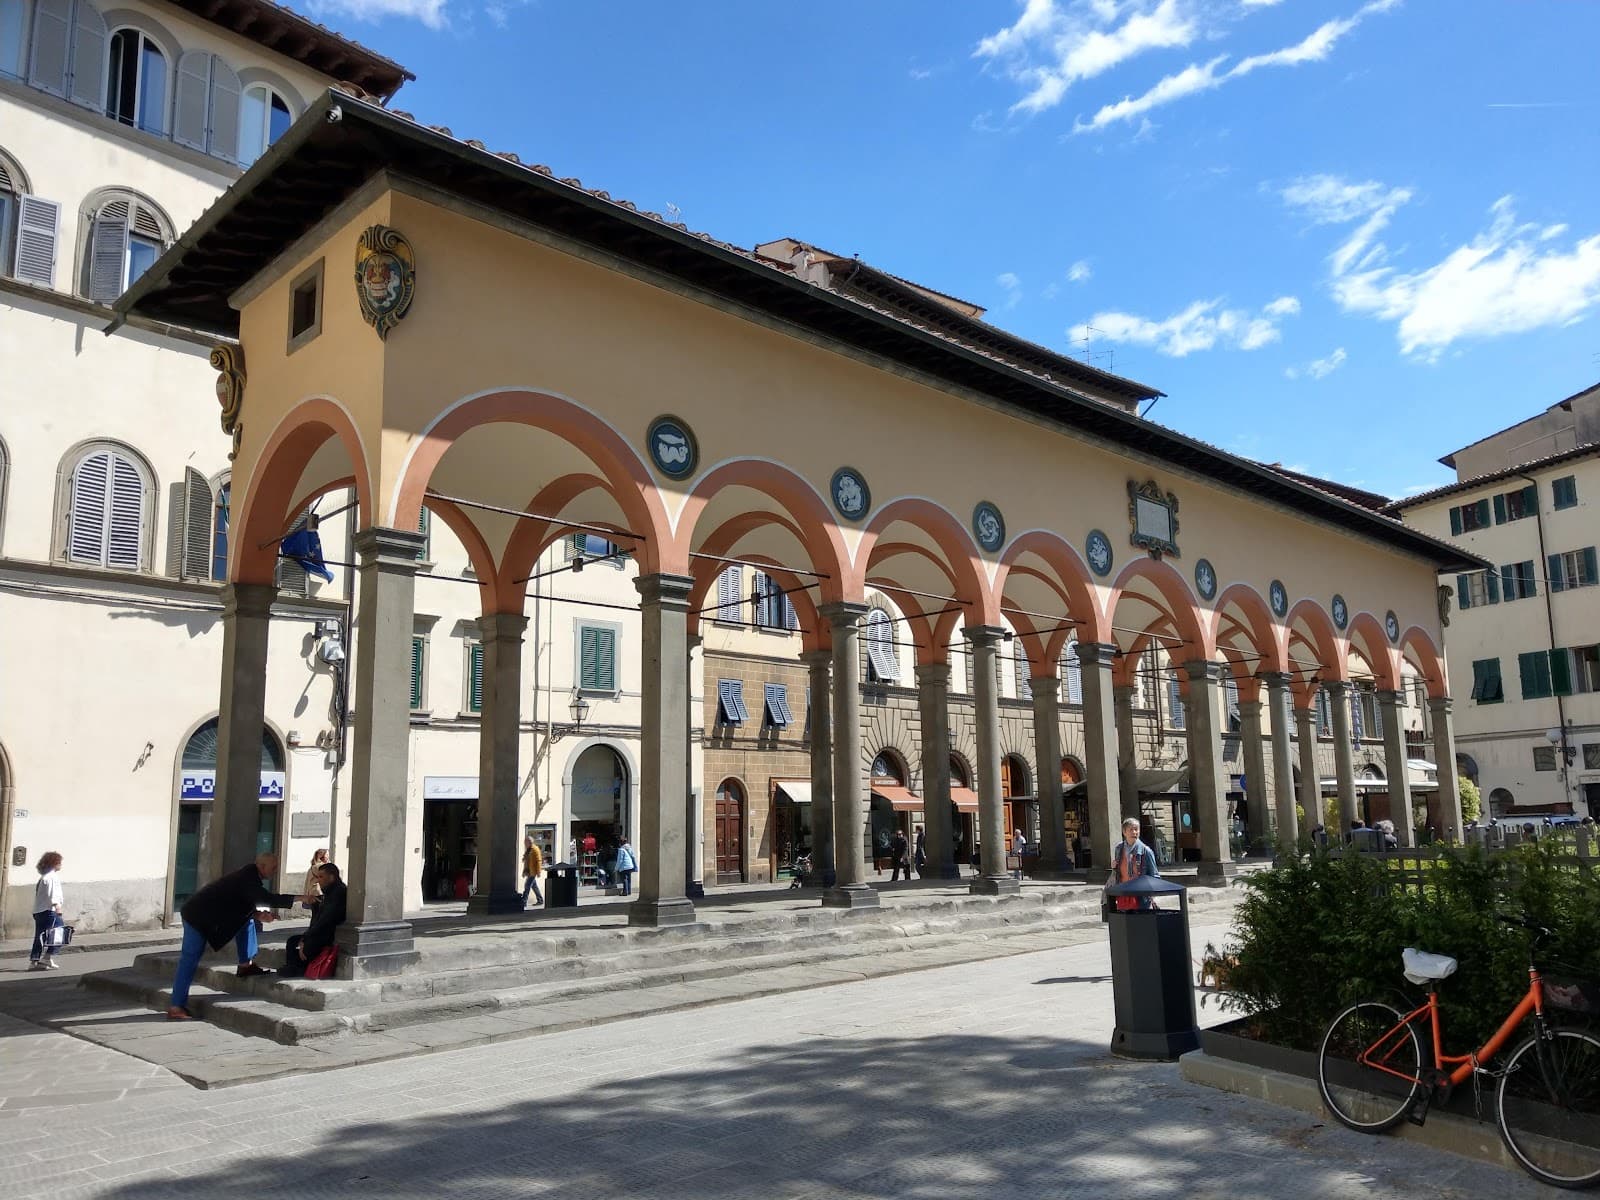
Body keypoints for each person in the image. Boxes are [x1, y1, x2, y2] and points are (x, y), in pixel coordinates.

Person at [167, 853, 299, 1020]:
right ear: (262, 866)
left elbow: (238, 905)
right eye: (273, 867)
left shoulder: (247, 875)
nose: (275, 871)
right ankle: (176, 1006)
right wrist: (300, 898)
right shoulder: (247, 878)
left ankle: (246, 964)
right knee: (189, 959)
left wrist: (258, 915)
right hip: (197, 917)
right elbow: (266, 898)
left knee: (247, 923)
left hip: (201, 914)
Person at [277, 863, 347, 979]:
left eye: (321, 877)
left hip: (327, 935)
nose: (318, 881)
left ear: (331, 877)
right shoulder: (327, 893)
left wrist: (306, 938)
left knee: (308, 946)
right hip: (318, 932)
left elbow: (325, 920)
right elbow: (317, 918)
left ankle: (299, 968)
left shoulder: (339, 892)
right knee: (292, 941)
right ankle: (293, 967)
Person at [1107, 817, 1160, 911]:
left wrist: (1152, 896)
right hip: (1123, 894)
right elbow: (1118, 871)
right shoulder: (1119, 848)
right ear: (1124, 832)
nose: (1134, 832)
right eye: (1131, 829)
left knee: (1139, 924)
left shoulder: (1146, 851)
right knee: (1124, 924)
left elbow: (1154, 875)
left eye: (1136, 829)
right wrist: (1114, 866)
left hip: (1140, 897)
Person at [29, 851, 65, 970]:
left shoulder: (44, 877)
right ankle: (47, 957)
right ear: (54, 863)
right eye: (59, 862)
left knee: (40, 936)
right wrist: (57, 907)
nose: (61, 865)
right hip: (49, 910)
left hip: (39, 910)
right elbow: (53, 894)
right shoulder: (52, 877)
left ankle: (35, 961)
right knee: (59, 933)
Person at [301, 848, 328, 913]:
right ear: (323, 856)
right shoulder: (320, 866)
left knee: (316, 914)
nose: (328, 856)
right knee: (320, 913)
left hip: (313, 892)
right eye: (327, 854)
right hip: (318, 893)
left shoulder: (314, 866)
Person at [521, 835, 545, 907]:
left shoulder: (535, 849)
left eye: (525, 842)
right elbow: (526, 861)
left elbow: (538, 861)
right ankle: (540, 900)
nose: (524, 843)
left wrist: (538, 872)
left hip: (533, 872)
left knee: (527, 886)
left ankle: (524, 902)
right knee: (534, 886)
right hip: (529, 871)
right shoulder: (528, 849)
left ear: (530, 842)